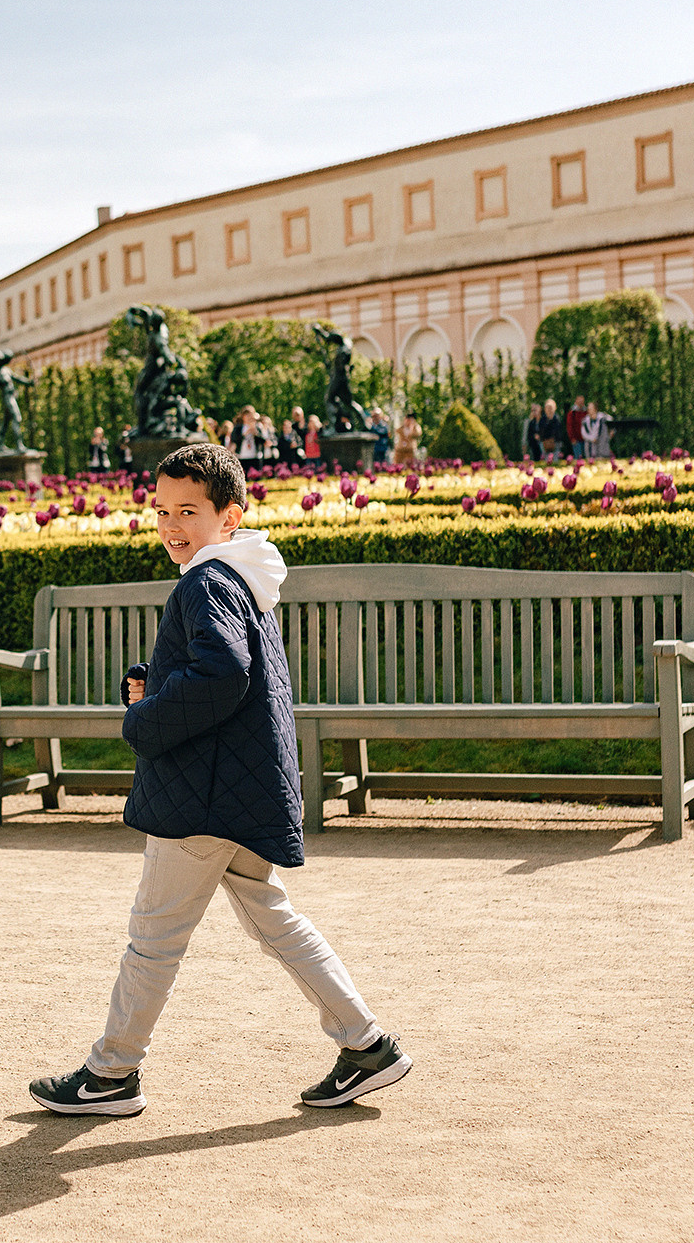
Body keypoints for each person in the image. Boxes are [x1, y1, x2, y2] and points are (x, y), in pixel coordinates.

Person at [28, 443, 411, 1118]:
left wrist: (144, 719)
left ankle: (110, 1075)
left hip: (199, 798)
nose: (172, 524)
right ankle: (366, 1045)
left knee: (153, 937)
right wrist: (160, 687)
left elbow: (223, 674)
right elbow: (227, 674)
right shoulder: (239, 577)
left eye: (189, 511)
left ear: (228, 515)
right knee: (274, 922)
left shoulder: (206, 580)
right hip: (238, 787)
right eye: (161, 510)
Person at [566, 395, 586, 460]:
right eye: (579, 400)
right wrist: (572, 438)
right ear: (576, 401)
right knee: (578, 458)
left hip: (586, 439)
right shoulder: (572, 413)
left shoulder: (586, 412)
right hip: (576, 440)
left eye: (582, 401)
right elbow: (569, 426)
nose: (580, 402)